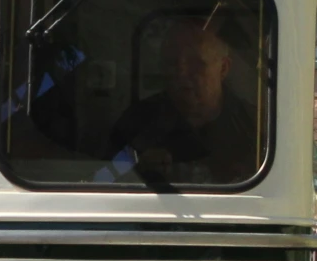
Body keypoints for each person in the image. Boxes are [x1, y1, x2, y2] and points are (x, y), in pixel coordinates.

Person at [104, 19, 258, 186]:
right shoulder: (137, 121)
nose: (181, 73)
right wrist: (137, 170)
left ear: (223, 68)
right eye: (172, 62)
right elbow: (102, 177)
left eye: (195, 63)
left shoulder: (253, 125)